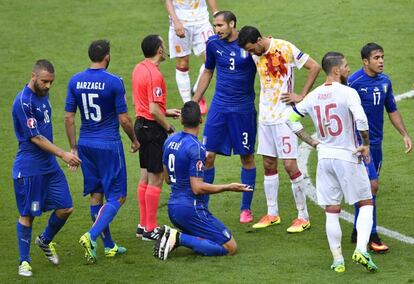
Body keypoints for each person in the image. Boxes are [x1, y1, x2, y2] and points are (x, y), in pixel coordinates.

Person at [285, 51, 378, 272]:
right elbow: (362, 119)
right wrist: (365, 145)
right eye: (345, 66)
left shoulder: (314, 95)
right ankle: (362, 249)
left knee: (331, 210)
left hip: (324, 157)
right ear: (336, 70)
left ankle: (337, 259)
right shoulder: (347, 92)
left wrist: (312, 142)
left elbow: (290, 119)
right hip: (346, 156)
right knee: (365, 202)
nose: (348, 69)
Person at [237, 25, 321, 232]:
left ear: (258, 40)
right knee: (268, 164)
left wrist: (301, 95)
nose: (250, 54)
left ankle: (303, 216)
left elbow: (315, 66)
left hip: (284, 117)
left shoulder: (284, 47)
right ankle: (272, 213)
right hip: (265, 117)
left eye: (251, 49)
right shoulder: (255, 51)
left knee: (290, 165)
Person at [65, 40, 139, 264]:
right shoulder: (114, 82)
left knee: (96, 194)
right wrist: (135, 139)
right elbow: (124, 119)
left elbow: (69, 117)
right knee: (118, 196)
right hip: (108, 145)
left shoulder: (75, 81)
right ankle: (91, 236)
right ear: (107, 56)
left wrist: (74, 147)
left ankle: (108, 246)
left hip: (86, 144)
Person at [153, 101, 253, 260]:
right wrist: (229, 187)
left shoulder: (169, 141)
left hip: (173, 208)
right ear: (201, 120)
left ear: (181, 120)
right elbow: (197, 188)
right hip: (190, 209)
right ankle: (177, 237)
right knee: (230, 247)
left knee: (208, 239)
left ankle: (178, 236)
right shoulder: (196, 147)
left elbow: (167, 179)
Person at [12, 59, 81, 276]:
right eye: (44, 81)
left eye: (51, 82)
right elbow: (36, 138)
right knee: (28, 215)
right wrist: (63, 154)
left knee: (66, 207)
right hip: (30, 168)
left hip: (49, 166)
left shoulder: (43, 95)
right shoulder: (23, 102)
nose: (48, 86)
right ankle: (24, 262)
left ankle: (44, 240)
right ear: (33, 76)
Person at [192, 11, 257, 223]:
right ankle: (203, 206)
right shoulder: (212, 44)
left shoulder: (248, 44)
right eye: (214, 25)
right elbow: (208, 71)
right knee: (208, 156)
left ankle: (245, 209)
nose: (216, 29)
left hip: (243, 110)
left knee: (246, 157)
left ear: (232, 24)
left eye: (220, 25)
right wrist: (194, 100)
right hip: (219, 109)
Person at [348, 42, 412, 253]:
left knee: (366, 188)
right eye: (376, 58)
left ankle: (358, 230)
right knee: (371, 187)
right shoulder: (354, 82)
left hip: (376, 144)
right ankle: (372, 234)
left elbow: (392, 110)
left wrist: (404, 134)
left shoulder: (385, 82)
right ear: (365, 61)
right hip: (359, 146)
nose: (381, 61)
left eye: (382, 57)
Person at [132, 34, 181, 241]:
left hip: (140, 126)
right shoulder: (155, 75)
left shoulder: (139, 68)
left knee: (144, 176)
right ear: (159, 50)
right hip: (152, 129)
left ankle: (143, 225)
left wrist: (165, 111)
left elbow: (147, 104)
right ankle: (150, 229)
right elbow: (153, 110)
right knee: (156, 178)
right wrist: (169, 127)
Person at [165, 0, 218, 114]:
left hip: (202, 21)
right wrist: (175, 21)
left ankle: (196, 89)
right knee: (183, 63)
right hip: (180, 21)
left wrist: (215, 13)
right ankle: (188, 105)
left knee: (211, 59)